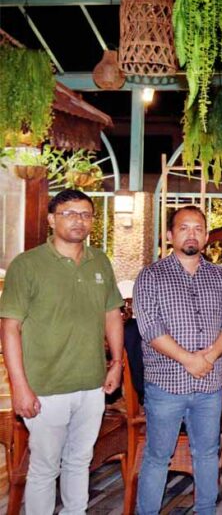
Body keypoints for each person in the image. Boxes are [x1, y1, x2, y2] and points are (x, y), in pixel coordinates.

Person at [0, 189, 124, 515]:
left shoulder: (100, 261)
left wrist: (116, 363)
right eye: (69, 213)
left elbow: (112, 314)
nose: (78, 220)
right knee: (45, 468)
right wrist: (20, 387)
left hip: (92, 385)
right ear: (52, 220)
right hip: (45, 388)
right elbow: (10, 328)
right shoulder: (27, 265)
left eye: (85, 214)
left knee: (79, 461)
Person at [133, 205, 222, 515]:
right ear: (170, 235)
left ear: (206, 237)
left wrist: (209, 357)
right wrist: (188, 360)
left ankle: (206, 510)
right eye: (184, 228)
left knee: (207, 454)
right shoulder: (151, 275)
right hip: (166, 385)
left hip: (208, 384)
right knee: (158, 456)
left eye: (198, 229)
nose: (191, 234)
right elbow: (150, 328)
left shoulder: (220, 277)